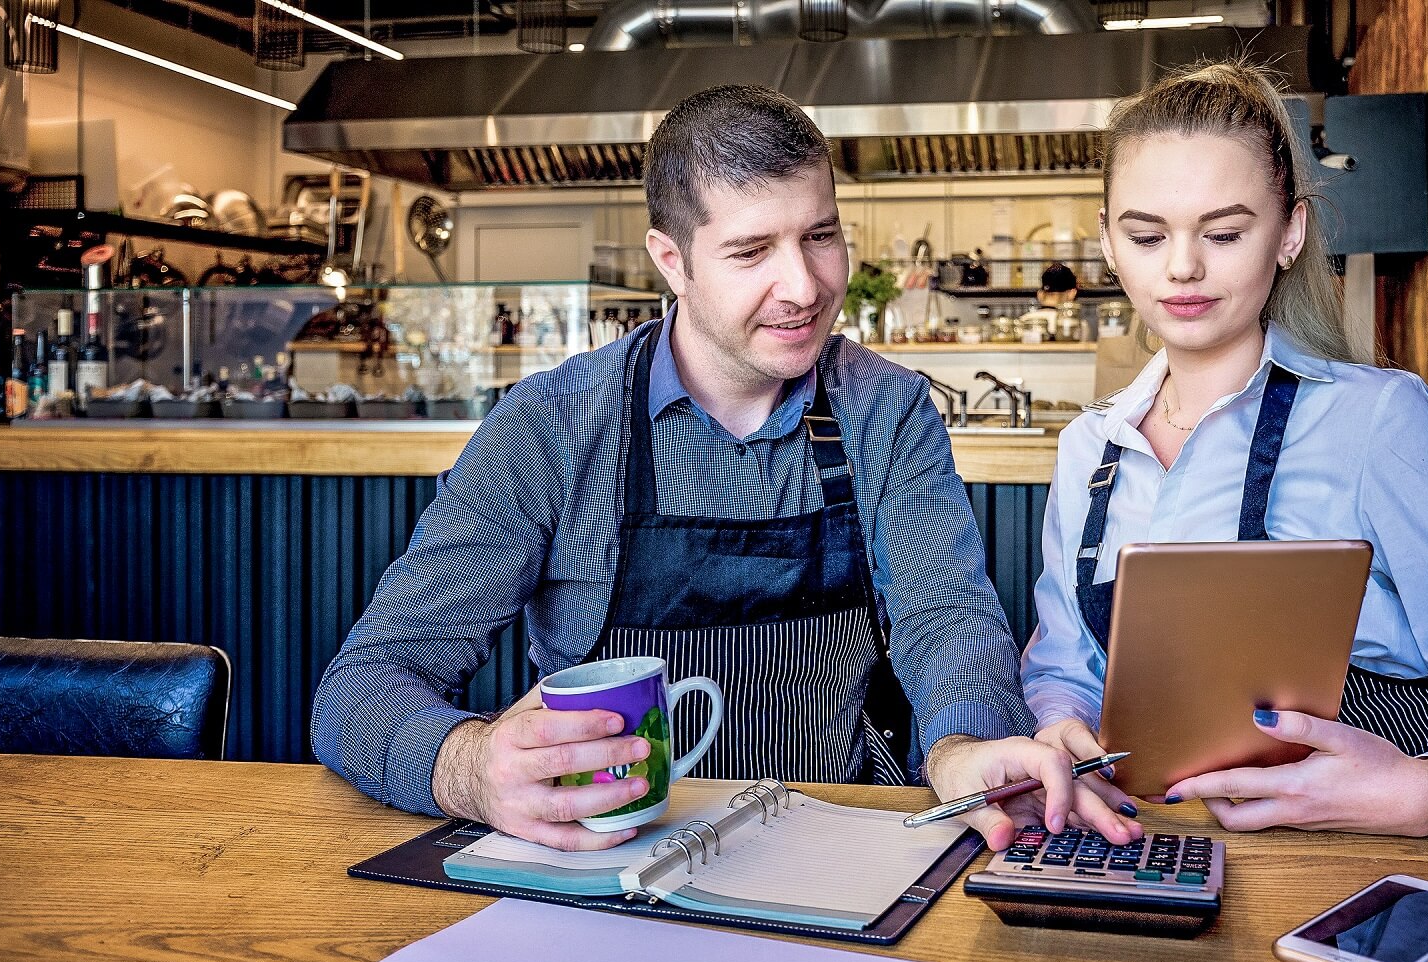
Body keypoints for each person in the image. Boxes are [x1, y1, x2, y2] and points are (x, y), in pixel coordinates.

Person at [313, 85, 1140, 853]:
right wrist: (471, 766)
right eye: (752, 251)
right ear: (671, 260)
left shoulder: (885, 411)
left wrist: (962, 747)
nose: (805, 285)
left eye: (820, 236)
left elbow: (946, 618)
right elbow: (362, 687)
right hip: (613, 859)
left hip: (836, 846)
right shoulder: (552, 427)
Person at [1021, 61, 1428, 837]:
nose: (1183, 265)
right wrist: (1059, 726)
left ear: (1289, 234)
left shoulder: (1380, 423)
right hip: (1161, 843)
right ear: (1107, 244)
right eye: (1147, 234)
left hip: (1368, 858)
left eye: (1224, 233)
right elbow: (1063, 670)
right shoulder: (1089, 450)